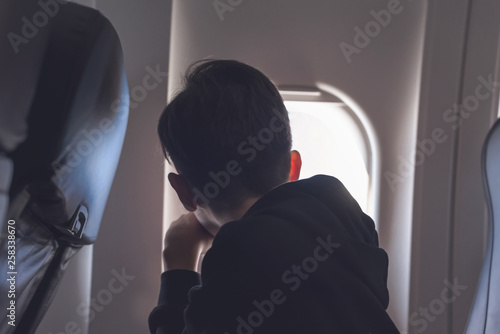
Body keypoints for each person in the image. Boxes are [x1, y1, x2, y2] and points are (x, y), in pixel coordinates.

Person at [149, 59, 399, 334]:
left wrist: (178, 264)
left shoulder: (233, 254)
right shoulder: (347, 213)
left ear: (185, 191)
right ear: (293, 167)